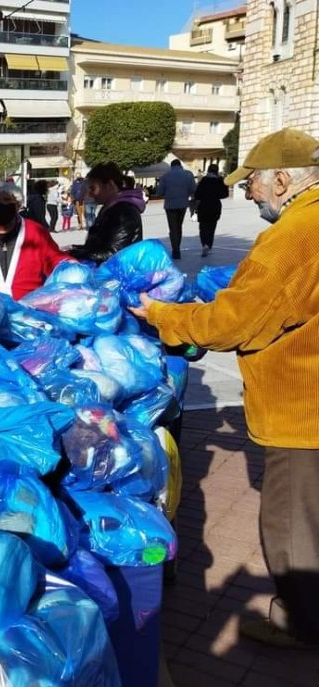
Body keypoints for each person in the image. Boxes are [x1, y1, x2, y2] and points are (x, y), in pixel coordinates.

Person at [130, 128, 319, 648]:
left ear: (282, 179)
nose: (249, 192)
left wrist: (163, 315)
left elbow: (237, 321)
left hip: (302, 410)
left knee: (290, 524)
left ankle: (300, 622)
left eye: (253, 181)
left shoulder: (296, 235)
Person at [0, 182, 71, 299]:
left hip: (28, 311)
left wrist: (70, 267)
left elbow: (55, 259)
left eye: (8, 201)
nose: (2, 205)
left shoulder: (35, 232)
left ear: (17, 205)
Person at [68, 162, 145, 265]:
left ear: (109, 185)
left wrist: (75, 254)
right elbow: (100, 245)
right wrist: (75, 249)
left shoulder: (123, 212)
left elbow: (115, 253)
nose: (90, 194)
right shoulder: (111, 207)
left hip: (118, 275)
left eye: (93, 188)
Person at [156, 158, 197, 260]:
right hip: (183, 204)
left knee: (172, 227)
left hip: (170, 205)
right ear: (180, 165)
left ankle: (175, 250)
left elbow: (159, 192)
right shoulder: (188, 174)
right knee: (179, 226)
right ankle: (177, 246)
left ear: (171, 166)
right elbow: (193, 189)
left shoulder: (165, 176)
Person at [192, 163, 230, 257]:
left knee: (203, 227)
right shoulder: (220, 181)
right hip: (215, 206)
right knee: (212, 227)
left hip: (203, 206)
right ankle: (208, 245)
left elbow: (197, 195)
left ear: (208, 170)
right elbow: (225, 194)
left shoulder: (204, 180)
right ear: (217, 171)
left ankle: (204, 244)